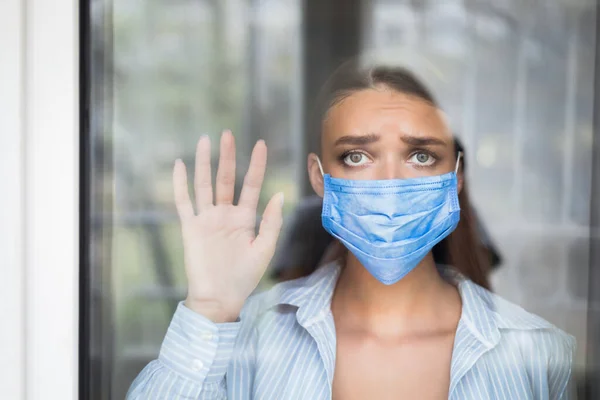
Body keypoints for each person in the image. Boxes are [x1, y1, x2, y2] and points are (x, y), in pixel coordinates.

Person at [128, 62, 575, 399]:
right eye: (357, 157)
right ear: (319, 178)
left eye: (420, 156)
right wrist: (208, 309)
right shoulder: (247, 341)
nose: (391, 182)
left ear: (455, 178)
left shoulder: (540, 355)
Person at [270, 137, 503, 283]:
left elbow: (480, 291)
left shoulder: (456, 213)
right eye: (359, 157)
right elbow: (290, 308)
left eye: (421, 159)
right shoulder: (312, 218)